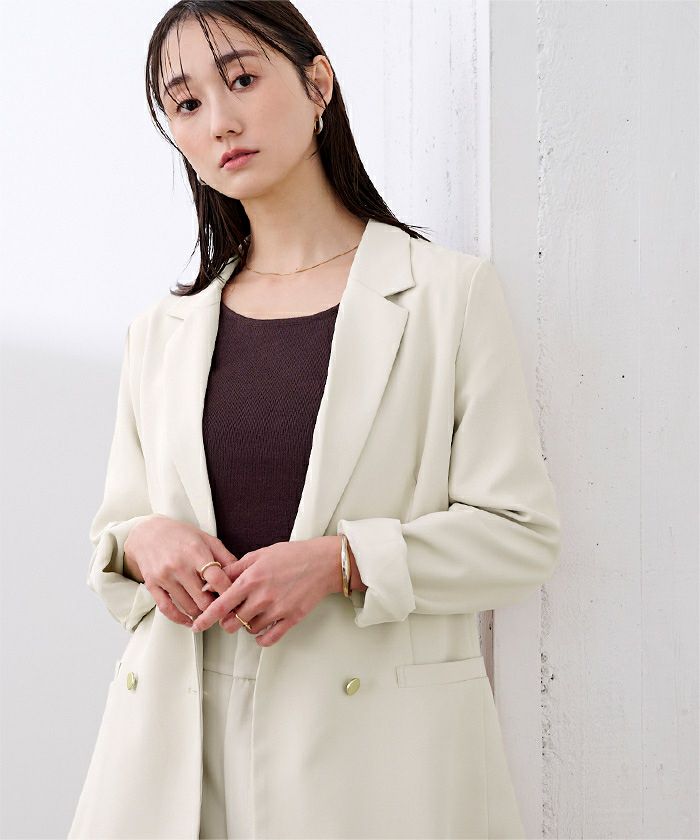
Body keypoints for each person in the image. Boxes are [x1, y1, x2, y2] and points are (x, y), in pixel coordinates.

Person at [68, 2, 562, 839]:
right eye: (186, 103)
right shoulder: (162, 331)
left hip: (372, 760)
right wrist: (142, 540)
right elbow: (115, 539)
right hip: (175, 754)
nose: (219, 121)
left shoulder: (447, 296)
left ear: (317, 82)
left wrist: (344, 563)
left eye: (242, 79)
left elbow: (521, 538)